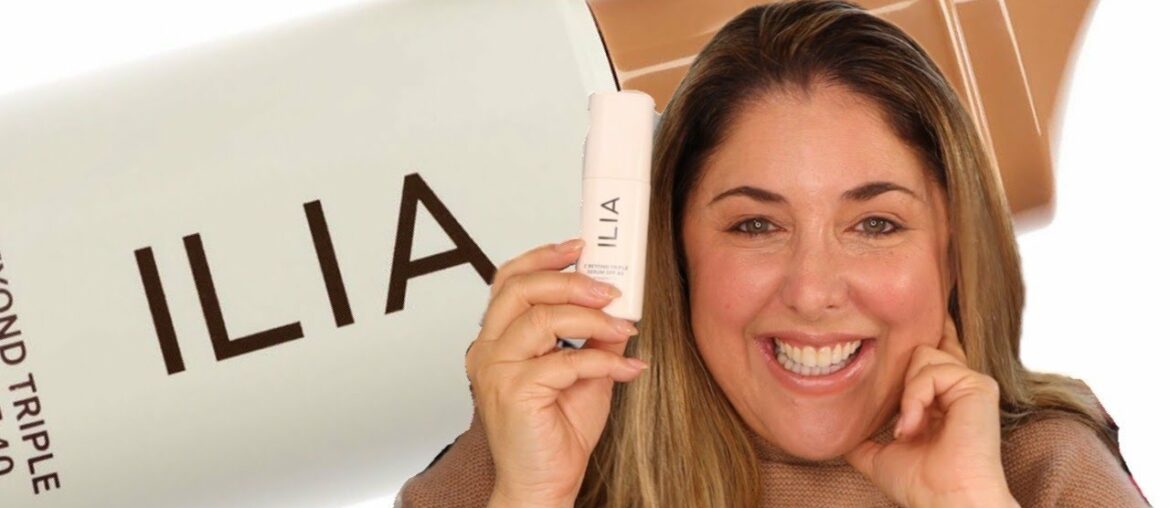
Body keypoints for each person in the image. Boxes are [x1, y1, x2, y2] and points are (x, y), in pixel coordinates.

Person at [397, 1, 1149, 506]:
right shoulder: (520, 461)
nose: (813, 290)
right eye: (756, 226)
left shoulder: (1044, 477)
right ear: (676, 256)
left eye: (875, 224)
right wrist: (533, 497)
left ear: (954, 253)